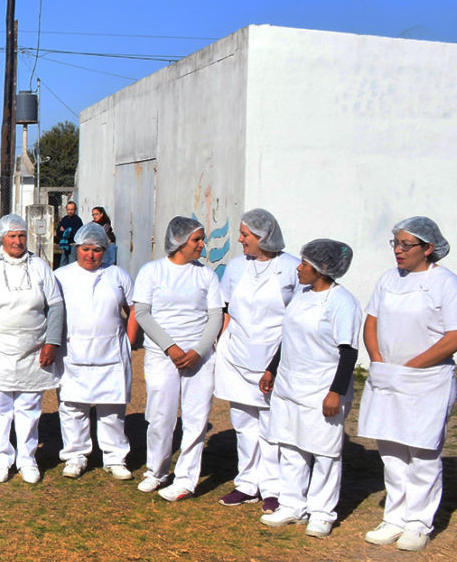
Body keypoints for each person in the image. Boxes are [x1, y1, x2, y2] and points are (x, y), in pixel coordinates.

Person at [359, 217, 457, 552]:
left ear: (428, 249)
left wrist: (411, 368)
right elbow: (371, 321)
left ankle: (418, 523)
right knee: (391, 449)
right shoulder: (388, 280)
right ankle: (395, 517)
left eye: (406, 245)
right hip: (388, 376)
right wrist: (377, 359)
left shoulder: (445, 283)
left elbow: (453, 336)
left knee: (423, 450)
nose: (398, 251)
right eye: (395, 244)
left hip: (427, 380)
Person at [258, 239, 359, 538]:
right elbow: (288, 337)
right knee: (290, 445)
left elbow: (349, 352)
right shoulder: (301, 295)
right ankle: (292, 505)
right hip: (290, 384)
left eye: (304, 264)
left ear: (322, 269)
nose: (298, 269)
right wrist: (272, 368)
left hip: (322, 388)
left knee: (324, 452)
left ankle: (322, 512)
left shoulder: (342, 302)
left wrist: (335, 391)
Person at [214, 209, 300, 514]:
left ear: (263, 237)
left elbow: (296, 319)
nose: (240, 240)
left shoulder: (291, 268)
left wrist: (276, 365)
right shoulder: (236, 267)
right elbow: (227, 311)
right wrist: (219, 345)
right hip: (237, 355)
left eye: (245, 235)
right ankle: (247, 484)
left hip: (272, 357)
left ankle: (273, 488)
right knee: (243, 422)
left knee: (271, 425)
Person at [132, 216, 224, 502]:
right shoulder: (152, 272)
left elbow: (216, 316)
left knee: (196, 418)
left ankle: (186, 479)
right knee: (161, 415)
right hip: (163, 356)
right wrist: (170, 347)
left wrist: (198, 350)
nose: (201, 245)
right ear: (179, 242)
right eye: (196, 240)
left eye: (201, 239)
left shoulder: (206, 275)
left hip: (199, 357)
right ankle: (156, 471)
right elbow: (143, 313)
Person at [0, 215, 62, 483]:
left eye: (21, 236)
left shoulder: (40, 267)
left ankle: (27, 459)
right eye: (12, 236)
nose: (18, 241)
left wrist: (52, 341)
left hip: (33, 350)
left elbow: (55, 306)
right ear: (1, 239)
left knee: (29, 407)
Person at [54, 222, 137, 480]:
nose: (91, 255)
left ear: (105, 250)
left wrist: (130, 342)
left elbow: (134, 309)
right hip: (73, 352)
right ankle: (75, 456)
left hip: (111, 353)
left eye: (97, 250)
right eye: (86, 249)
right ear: (77, 248)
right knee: (72, 407)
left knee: (112, 410)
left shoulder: (117, 275)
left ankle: (114, 458)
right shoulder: (61, 276)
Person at [55, 201, 83, 268]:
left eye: (72, 209)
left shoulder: (77, 220)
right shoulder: (64, 219)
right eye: (68, 209)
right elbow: (58, 232)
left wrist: (65, 231)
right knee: (63, 264)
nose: (70, 211)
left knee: (71, 265)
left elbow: (76, 234)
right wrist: (63, 231)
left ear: (75, 210)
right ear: (66, 209)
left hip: (73, 245)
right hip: (65, 245)